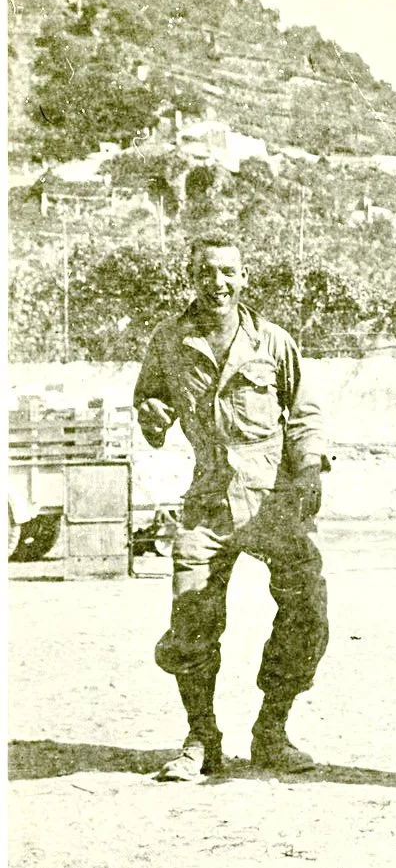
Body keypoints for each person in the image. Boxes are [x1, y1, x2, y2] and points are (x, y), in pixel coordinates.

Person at [134, 231, 330, 782]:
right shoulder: (169, 341)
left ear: (244, 278)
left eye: (227, 272)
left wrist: (310, 468)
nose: (216, 283)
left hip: (273, 498)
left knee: (307, 610)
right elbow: (150, 398)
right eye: (205, 272)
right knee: (191, 613)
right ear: (190, 278)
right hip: (209, 502)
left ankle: (272, 730)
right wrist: (152, 413)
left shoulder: (273, 342)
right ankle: (201, 737)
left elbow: (306, 412)